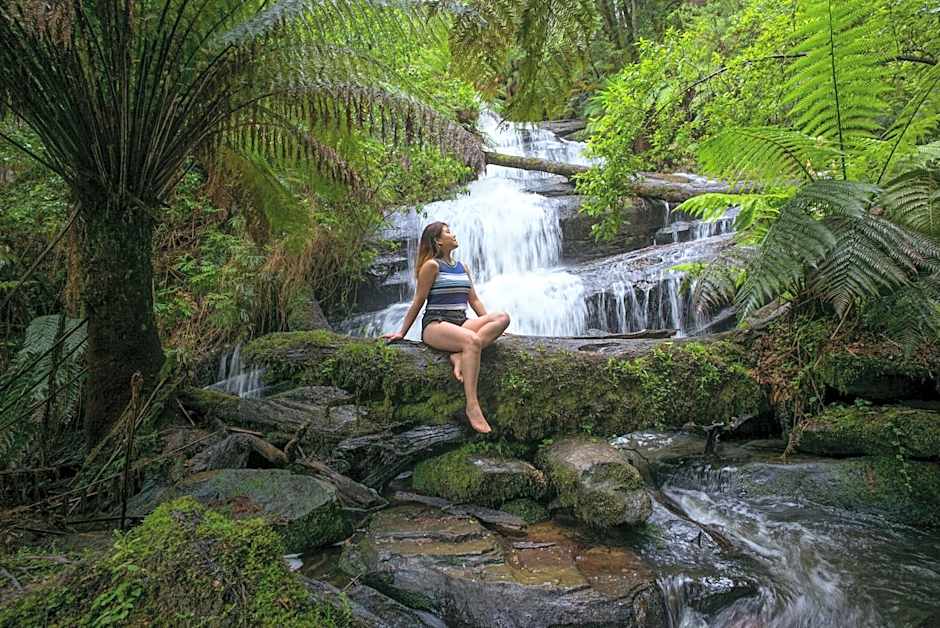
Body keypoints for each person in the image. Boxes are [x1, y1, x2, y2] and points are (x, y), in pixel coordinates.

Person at [382, 221, 510, 433]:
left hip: (461, 321)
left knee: (502, 318)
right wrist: (401, 332)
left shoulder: (463, 267)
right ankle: (472, 405)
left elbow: (475, 300)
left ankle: (458, 353)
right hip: (437, 324)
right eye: (448, 232)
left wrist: (488, 323)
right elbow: (418, 301)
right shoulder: (431, 266)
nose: (453, 234)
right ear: (438, 241)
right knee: (473, 340)